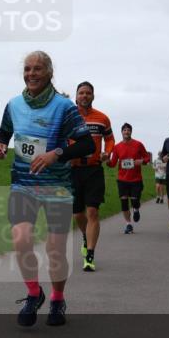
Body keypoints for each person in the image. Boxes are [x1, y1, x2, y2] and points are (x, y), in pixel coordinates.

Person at [0, 51, 93, 326]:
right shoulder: (13, 104)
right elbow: (4, 132)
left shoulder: (64, 107)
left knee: (55, 249)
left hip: (56, 187)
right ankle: (33, 293)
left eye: (38, 69)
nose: (32, 74)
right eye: (27, 69)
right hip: (22, 184)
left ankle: (58, 299)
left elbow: (87, 145)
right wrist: (1, 145)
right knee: (21, 238)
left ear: (50, 73)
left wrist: (56, 154)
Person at [69, 81, 114, 272]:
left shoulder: (102, 118)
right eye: (81, 93)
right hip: (73, 170)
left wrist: (108, 152)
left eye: (88, 93)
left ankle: (90, 254)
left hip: (94, 169)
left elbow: (110, 139)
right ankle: (86, 236)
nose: (84, 96)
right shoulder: (68, 117)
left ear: (93, 96)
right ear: (76, 96)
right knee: (78, 214)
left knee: (93, 212)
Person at [107, 123, 150, 235]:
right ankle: (128, 224)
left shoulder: (138, 144)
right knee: (124, 202)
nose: (126, 132)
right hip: (122, 179)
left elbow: (146, 158)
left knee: (135, 200)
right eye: (124, 130)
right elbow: (112, 163)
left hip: (135, 179)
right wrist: (107, 161)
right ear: (122, 132)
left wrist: (141, 161)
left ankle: (136, 209)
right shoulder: (117, 147)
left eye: (128, 130)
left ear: (131, 132)